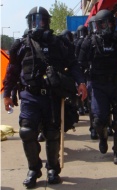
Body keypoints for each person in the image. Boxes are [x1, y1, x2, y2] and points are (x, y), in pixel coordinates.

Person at [2, 6, 87, 188]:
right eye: (33, 21)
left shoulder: (58, 44)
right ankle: (34, 168)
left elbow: (73, 64)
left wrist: (81, 82)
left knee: (52, 133)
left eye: (40, 20)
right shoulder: (21, 45)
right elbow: (12, 71)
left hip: (52, 96)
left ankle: (53, 169)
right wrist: (7, 94)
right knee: (27, 132)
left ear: (46, 22)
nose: (37, 24)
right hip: (29, 96)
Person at [78, 9, 117, 164]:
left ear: (112, 23)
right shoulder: (89, 41)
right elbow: (79, 62)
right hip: (98, 86)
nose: (102, 27)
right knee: (98, 121)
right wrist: (82, 79)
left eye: (104, 24)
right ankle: (103, 138)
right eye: (99, 24)